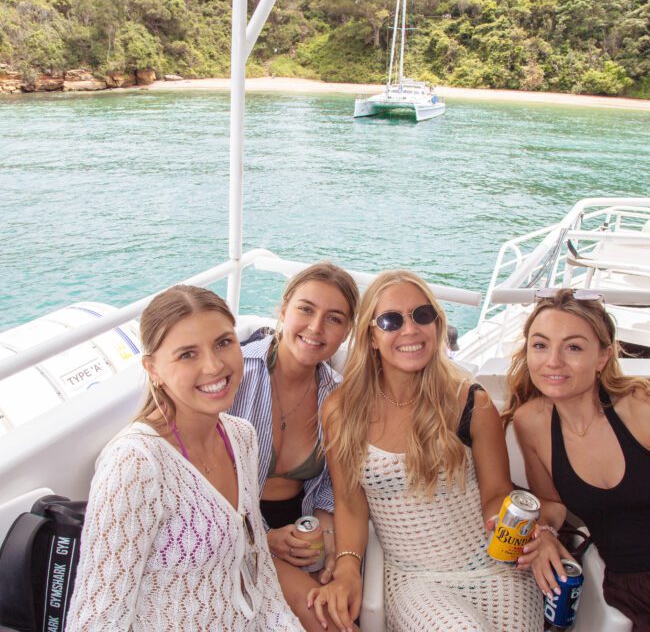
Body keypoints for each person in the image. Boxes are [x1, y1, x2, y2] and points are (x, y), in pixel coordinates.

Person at [307, 270, 543, 632]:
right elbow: (350, 504)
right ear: (371, 336)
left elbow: (496, 493)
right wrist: (347, 568)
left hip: (495, 568)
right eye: (390, 320)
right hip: (417, 579)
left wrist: (523, 528)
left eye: (422, 315)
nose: (410, 330)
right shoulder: (342, 410)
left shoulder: (471, 402)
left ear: (436, 324)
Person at [66, 285, 303, 631]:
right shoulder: (136, 464)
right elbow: (96, 621)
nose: (214, 366)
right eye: (187, 354)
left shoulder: (241, 437)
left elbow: (259, 574)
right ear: (153, 370)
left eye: (224, 342)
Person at [504, 289, 650, 630]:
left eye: (573, 347)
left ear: (602, 357)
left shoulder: (639, 408)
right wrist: (545, 533)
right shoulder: (531, 423)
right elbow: (552, 504)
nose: (553, 361)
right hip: (626, 587)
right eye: (540, 345)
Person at [230, 262, 359, 631]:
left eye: (334, 319)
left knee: (334, 616)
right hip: (232, 530)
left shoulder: (338, 398)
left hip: (299, 531)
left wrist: (331, 541)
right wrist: (266, 540)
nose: (316, 328)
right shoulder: (237, 373)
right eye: (306, 309)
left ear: (346, 331)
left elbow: (336, 489)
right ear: (284, 310)